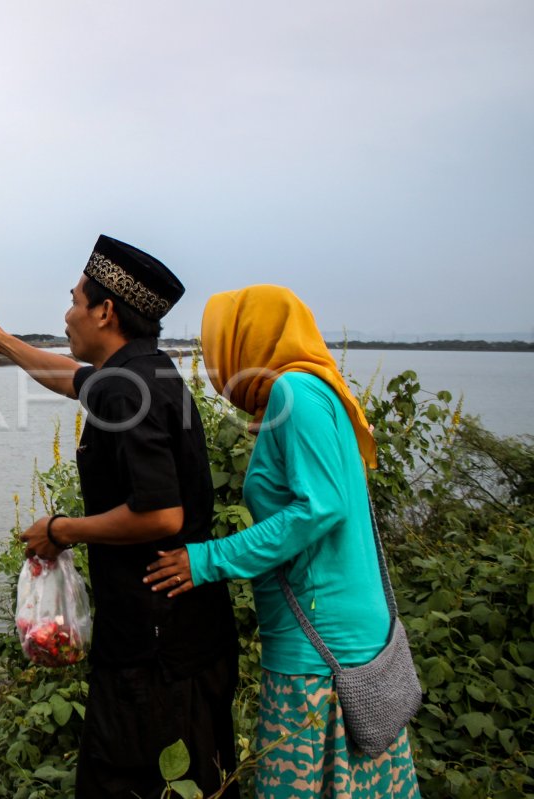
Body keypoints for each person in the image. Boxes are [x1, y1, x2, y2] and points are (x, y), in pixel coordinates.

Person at [0, 234, 239, 798]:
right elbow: (68, 378)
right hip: (185, 637)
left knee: (132, 784)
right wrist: (2, 341)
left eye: (75, 301)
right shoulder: (141, 372)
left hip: (156, 652)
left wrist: (60, 531)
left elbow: (161, 515)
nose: (66, 315)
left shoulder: (126, 390)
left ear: (105, 310)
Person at [145, 285, 422, 798]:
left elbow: (319, 508)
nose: (211, 361)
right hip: (336, 637)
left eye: (215, 346)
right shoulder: (314, 391)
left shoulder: (295, 395)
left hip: (321, 650)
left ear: (244, 341)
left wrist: (206, 559)